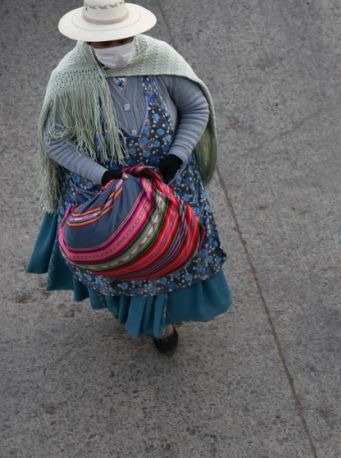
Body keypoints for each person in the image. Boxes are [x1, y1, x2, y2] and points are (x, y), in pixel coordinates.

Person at [28, 0, 230, 353]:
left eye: (120, 38)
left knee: (167, 249)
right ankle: (137, 316)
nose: (113, 48)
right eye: (103, 42)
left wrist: (173, 159)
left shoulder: (162, 60)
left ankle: (161, 321)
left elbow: (196, 107)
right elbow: (55, 142)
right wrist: (104, 176)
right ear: (87, 40)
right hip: (103, 197)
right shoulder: (68, 78)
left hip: (171, 185)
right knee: (119, 254)